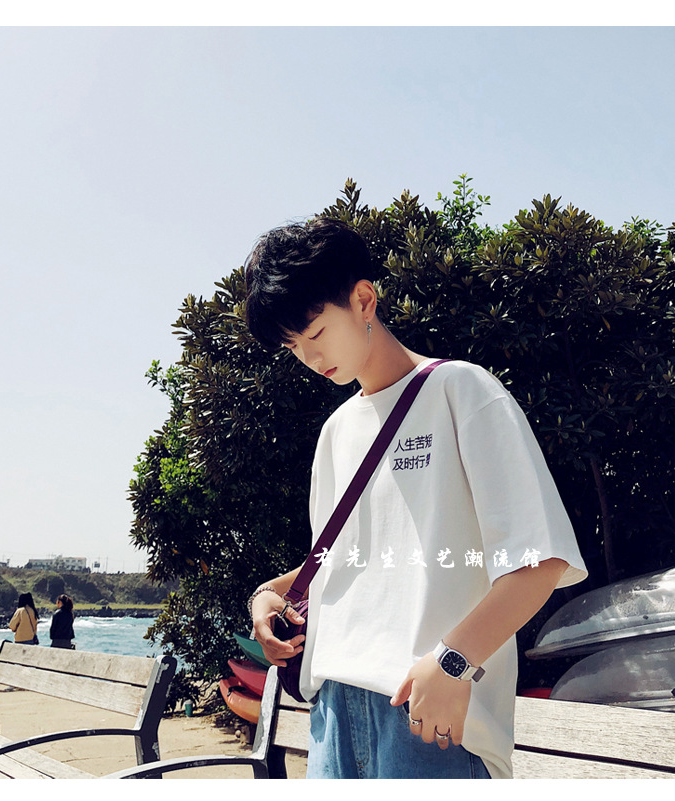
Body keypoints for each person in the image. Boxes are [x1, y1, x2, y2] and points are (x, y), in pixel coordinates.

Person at [244, 218, 588, 780]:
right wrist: (269, 594)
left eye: (316, 332)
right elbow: (347, 562)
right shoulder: (335, 433)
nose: (308, 356)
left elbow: (540, 560)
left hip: (427, 714)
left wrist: (453, 662)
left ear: (363, 300)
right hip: (331, 713)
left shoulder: (462, 390)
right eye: (293, 346)